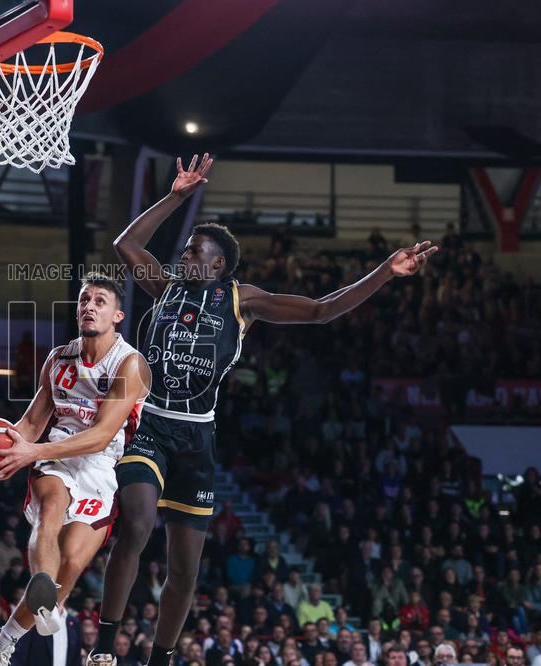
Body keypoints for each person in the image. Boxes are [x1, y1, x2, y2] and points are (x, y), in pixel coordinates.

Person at [88, 153, 438, 666]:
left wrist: (384, 272)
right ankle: (103, 647)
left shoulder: (241, 300)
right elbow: (125, 244)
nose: (184, 255)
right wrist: (176, 197)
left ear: (219, 264)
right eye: (185, 249)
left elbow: (321, 310)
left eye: (194, 251)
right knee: (137, 524)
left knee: (185, 569)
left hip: (197, 438)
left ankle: (160, 659)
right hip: (151, 424)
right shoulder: (164, 287)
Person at [0, 273, 151, 666]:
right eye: (84, 300)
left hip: (102, 463)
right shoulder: (59, 358)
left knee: (73, 560)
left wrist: (33, 448)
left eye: (100, 301)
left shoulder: (130, 364)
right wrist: (1, 447)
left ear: (118, 314)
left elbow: (103, 436)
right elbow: (32, 422)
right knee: (50, 509)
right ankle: (43, 595)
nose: (89, 306)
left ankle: (3, 639)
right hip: (54, 455)